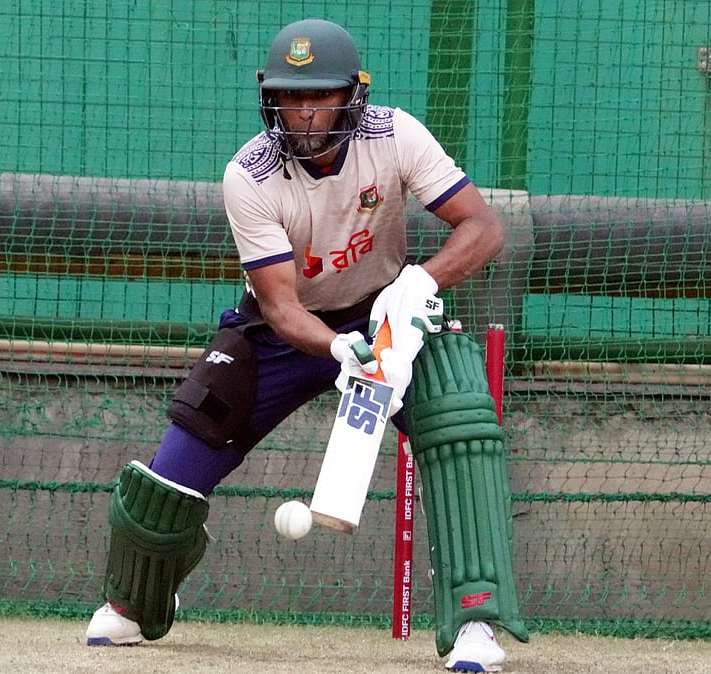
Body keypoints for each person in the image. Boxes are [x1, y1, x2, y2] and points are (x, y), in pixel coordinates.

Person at [85, 18, 529, 672]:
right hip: (285, 333)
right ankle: (133, 601)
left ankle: (475, 621)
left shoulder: (395, 135)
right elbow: (281, 306)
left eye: (319, 94)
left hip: (387, 312)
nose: (304, 111)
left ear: (353, 93)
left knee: (460, 427)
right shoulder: (249, 175)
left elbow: (483, 229)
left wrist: (419, 284)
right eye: (289, 96)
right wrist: (339, 348)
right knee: (169, 477)